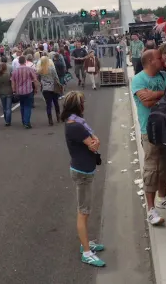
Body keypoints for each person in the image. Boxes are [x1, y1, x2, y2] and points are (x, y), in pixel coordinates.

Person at [62, 91, 105, 267]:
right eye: (82, 103)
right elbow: (94, 145)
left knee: (85, 210)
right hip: (82, 172)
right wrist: (95, 142)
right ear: (78, 106)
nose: (84, 105)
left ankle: (85, 242)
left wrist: (95, 142)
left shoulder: (74, 123)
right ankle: (86, 251)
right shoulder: (77, 126)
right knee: (83, 212)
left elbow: (95, 142)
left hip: (83, 170)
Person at [131, 49, 166, 226]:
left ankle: (162, 197)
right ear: (149, 61)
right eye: (158, 57)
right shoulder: (138, 80)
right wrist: (164, 94)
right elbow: (146, 103)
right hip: (150, 130)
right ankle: (150, 209)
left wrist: (156, 94)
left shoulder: (164, 75)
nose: (162, 58)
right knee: (151, 168)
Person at [10, 56, 39, 129]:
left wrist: (13, 90)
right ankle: (27, 122)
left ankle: (23, 121)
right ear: (25, 61)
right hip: (28, 90)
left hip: (19, 91)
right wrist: (36, 88)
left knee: (22, 106)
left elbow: (13, 81)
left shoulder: (15, 71)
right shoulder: (29, 69)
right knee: (28, 106)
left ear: (19, 62)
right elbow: (35, 79)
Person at [37, 56, 61, 125]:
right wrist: (59, 84)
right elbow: (56, 77)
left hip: (45, 88)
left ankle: (50, 119)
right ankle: (58, 116)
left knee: (48, 104)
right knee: (56, 102)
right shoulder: (52, 68)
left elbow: (38, 78)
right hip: (53, 87)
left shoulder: (40, 70)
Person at [0, 61, 13, 126]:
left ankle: (6, 120)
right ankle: (8, 121)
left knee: (4, 107)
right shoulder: (9, 74)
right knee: (9, 108)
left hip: (2, 92)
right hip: (9, 91)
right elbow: (12, 83)